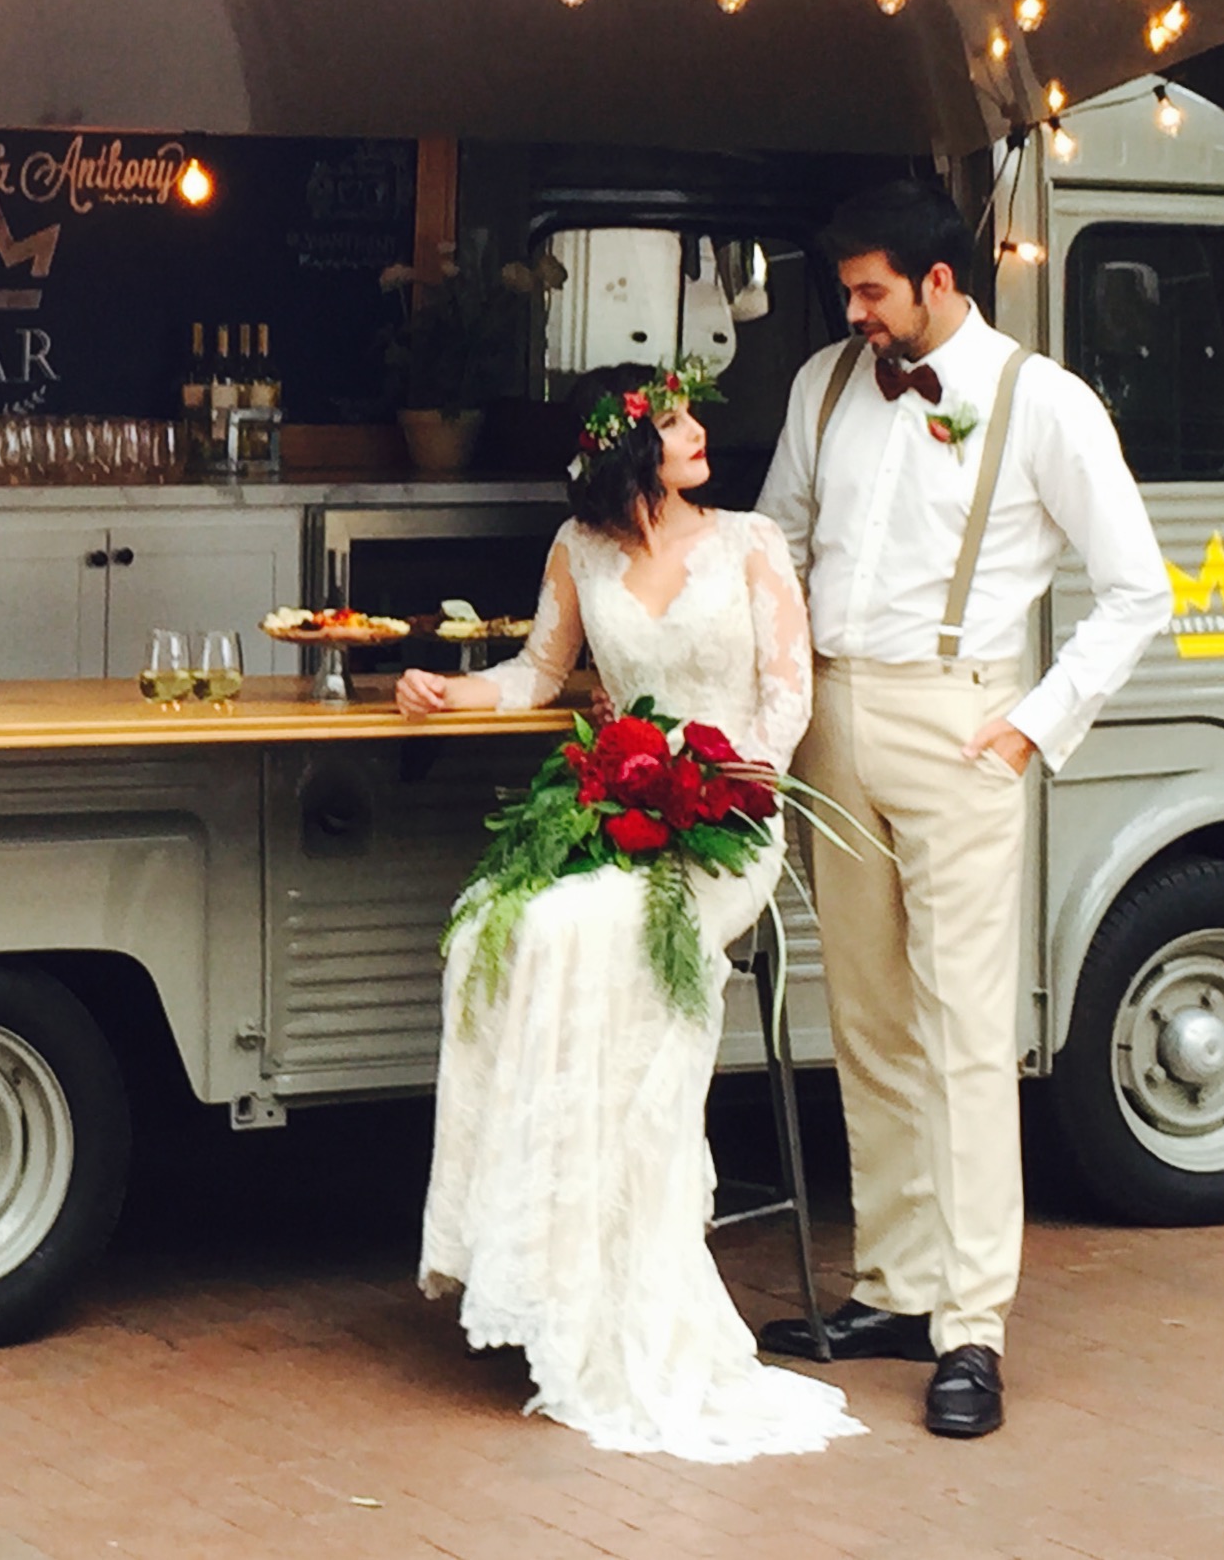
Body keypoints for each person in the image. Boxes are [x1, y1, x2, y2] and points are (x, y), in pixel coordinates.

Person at [754, 178, 1170, 1439]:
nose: (853, 311)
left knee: (967, 1029)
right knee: (871, 1016)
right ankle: (893, 1283)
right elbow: (773, 543)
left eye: (872, 290)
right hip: (832, 717)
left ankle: (971, 1325)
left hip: (962, 720)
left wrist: (1033, 723)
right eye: (846, 291)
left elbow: (1136, 589)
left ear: (941, 280)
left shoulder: (1045, 400)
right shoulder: (824, 382)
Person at [397, 363, 863, 1463]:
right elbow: (534, 671)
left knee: (591, 932)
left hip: (728, 815)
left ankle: (629, 1265)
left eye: (693, 414)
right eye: (675, 419)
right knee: (489, 927)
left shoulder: (750, 541)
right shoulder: (578, 548)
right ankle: (552, 1256)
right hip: (618, 798)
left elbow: (787, 700)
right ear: (623, 448)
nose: (701, 429)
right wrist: (447, 688)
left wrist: (713, 785)